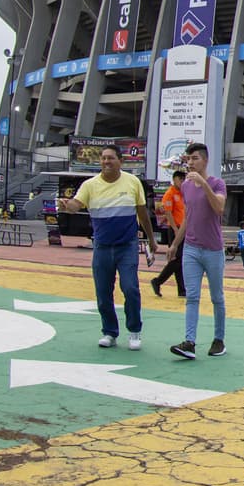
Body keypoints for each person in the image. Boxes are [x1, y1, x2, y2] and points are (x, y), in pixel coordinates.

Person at [56, 145, 158, 349]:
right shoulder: (89, 185)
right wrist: (67, 206)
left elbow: (142, 212)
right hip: (102, 247)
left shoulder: (132, 182)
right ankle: (110, 332)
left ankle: (134, 331)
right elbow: (77, 204)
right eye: (103, 158)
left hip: (127, 245)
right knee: (103, 293)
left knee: (130, 288)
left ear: (120, 161)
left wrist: (151, 239)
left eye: (110, 158)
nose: (106, 162)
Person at [168, 143, 228, 359]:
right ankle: (189, 342)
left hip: (213, 250)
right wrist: (176, 243)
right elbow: (188, 216)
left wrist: (204, 184)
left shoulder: (217, 183)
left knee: (216, 297)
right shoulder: (185, 186)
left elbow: (219, 208)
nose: (191, 163)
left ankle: (219, 339)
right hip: (191, 249)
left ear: (205, 160)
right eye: (188, 159)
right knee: (192, 296)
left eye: (194, 159)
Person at [150, 171, 187, 297]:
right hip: (175, 228)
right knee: (176, 258)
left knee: (180, 259)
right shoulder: (170, 194)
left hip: (182, 228)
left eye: (184, 179)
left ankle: (182, 290)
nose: (182, 181)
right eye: (180, 179)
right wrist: (175, 230)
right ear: (174, 179)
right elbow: (168, 213)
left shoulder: (183, 193)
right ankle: (158, 280)